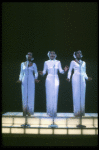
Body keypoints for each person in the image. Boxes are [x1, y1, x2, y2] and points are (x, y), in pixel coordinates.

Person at [39, 51, 69, 117]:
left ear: (55, 55)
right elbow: (44, 72)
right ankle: (49, 112)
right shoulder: (46, 62)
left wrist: (65, 70)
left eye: (53, 54)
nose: (52, 55)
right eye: (51, 54)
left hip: (56, 78)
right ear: (48, 55)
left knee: (55, 94)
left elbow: (61, 71)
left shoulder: (58, 62)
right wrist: (41, 73)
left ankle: (54, 112)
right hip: (49, 78)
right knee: (49, 94)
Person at [66, 50, 92, 117]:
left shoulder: (84, 63)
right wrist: (68, 77)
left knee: (82, 95)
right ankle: (76, 113)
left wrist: (87, 78)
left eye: (80, 53)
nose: (79, 54)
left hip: (82, 79)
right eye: (78, 53)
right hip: (75, 79)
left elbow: (84, 72)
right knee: (76, 94)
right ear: (75, 55)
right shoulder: (73, 62)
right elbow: (70, 71)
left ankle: (82, 112)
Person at [17, 52, 40, 116]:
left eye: (30, 55)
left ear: (32, 56)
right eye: (28, 54)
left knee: (31, 94)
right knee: (24, 94)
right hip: (24, 79)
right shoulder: (22, 64)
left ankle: (30, 111)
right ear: (26, 56)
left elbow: (36, 72)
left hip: (31, 79)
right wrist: (20, 79)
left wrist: (36, 78)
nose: (29, 56)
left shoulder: (34, 64)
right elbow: (21, 73)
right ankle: (24, 111)